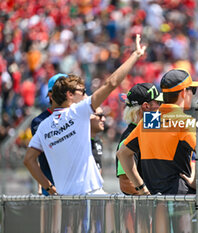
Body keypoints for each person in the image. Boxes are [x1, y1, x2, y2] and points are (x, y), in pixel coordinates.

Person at [23, 34, 146, 195]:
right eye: (83, 91)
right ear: (69, 95)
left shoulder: (44, 125)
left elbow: (28, 160)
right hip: (91, 196)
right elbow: (111, 83)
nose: (86, 95)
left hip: (65, 199)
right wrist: (135, 55)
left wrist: (49, 189)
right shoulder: (77, 112)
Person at [117, 69, 197, 195]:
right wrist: (195, 180)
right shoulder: (184, 121)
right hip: (181, 200)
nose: (193, 94)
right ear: (183, 93)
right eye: (192, 90)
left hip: (154, 204)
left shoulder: (148, 121)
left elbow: (122, 154)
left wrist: (141, 188)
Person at [116, 83, 163, 195]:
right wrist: (150, 197)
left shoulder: (151, 131)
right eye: (159, 103)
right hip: (145, 209)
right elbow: (126, 183)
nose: (161, 107)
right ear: (146, 106)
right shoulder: (129, 138)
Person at [30, 73, 68, 195]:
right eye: (61, 91)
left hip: (74, 186)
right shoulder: (39, 122)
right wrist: (44, 185)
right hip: (52, 187)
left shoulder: (75, 117)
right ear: (50, 95)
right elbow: (37, 154)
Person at [90, 107, 106, 174]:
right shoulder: (76, 141)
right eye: (100, 116)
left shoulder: (98, 141)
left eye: (104, 116)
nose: (103, 119)